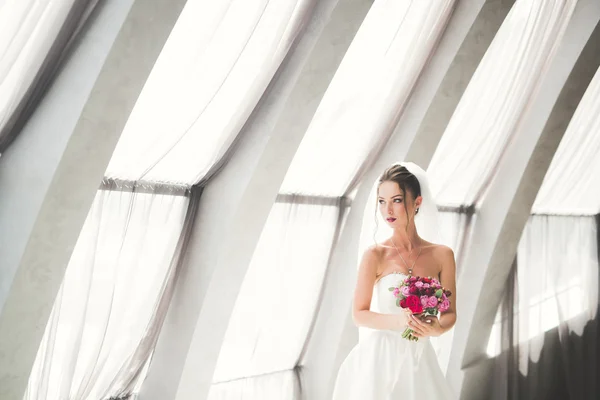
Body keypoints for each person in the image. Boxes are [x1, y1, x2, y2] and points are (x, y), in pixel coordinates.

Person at [332, 162, 456, 399]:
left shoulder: (442, 255)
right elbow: (359, 314)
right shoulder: (375, 255)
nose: (387, 209)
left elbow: (450, 313)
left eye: (396, 200)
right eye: (381, 201)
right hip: (379, 360)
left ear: (417, 202)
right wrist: (401, 320)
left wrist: (437, 328)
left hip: (420, 358)